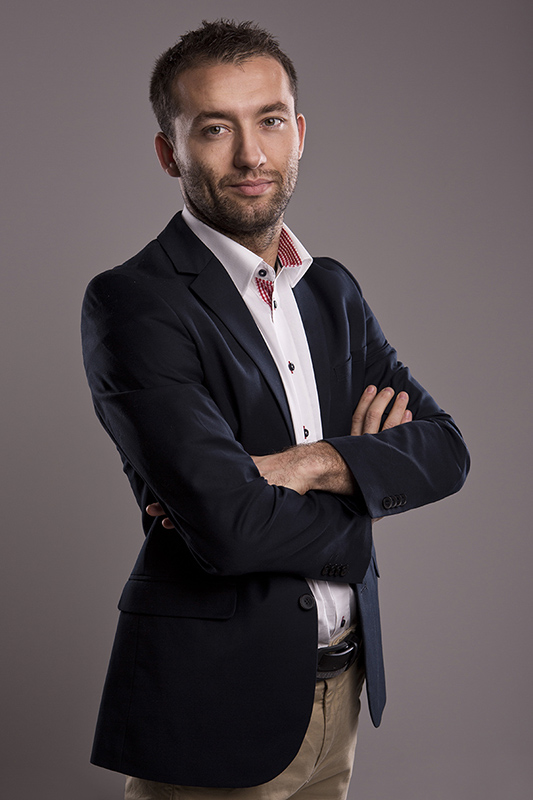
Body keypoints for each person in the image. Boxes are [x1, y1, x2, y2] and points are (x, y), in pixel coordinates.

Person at [81, 19, 470, 800]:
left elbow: (444, 450)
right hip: (213, 704)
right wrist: (366, 496)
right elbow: (228, 528)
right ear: (169, 152)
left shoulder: (330, 290)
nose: (251, 155)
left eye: (269, 121)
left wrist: (313, 463)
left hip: (340, 694)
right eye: (214, 128)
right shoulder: (134, 304)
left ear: (298, 133)